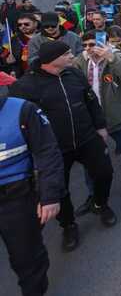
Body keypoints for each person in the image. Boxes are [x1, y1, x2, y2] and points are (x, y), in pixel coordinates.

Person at [9, 41, 116, 252]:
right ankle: (68, 225)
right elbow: (21, 119)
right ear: (51, 60)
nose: (71, 56)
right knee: (60, 189)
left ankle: (100, 204)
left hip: (87, 138)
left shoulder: (74, 74)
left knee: (104, 172)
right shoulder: (25, 86)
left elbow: (91, 100)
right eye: (66, 53)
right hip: (55, 148)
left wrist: (100, 126)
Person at [0, 86, 65, 296]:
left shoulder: (23, 110)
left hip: (17, 197)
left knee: (27, 259)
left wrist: (49, 196)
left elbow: (47, 152)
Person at [72, 30, 121, 193]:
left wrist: (112, 58)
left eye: (92, 44)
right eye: (85, 45)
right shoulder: (80, 61)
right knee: (92, 157)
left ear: (104, 44)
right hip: (93, 118)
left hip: (118, 114)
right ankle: (93, 194)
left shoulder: (117, 56)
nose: (88, 48)